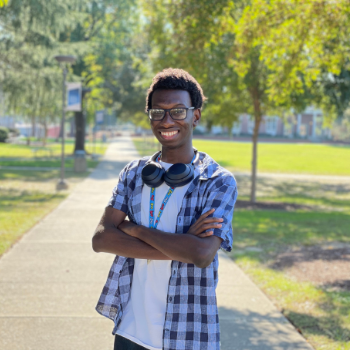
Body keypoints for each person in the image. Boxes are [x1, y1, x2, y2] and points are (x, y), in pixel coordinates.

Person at [92, 68, 238, 350]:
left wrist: (133, 230)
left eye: (178, 111)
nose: (167, 120)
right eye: (158, 112)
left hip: (187, 334)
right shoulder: (134, 173)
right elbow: (100, 239)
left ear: (195, 115)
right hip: (130, 332)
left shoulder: (218, 181)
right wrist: (182, 245)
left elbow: (202, 254)